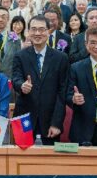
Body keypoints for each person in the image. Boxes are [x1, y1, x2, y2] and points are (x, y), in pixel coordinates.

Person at [12, 15, 69, 145]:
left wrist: (56, 123)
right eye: (33, 29)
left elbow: (62, 93)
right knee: (21, 156)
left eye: (42, 29)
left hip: (50, 122)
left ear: (49, 31)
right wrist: (22, 85)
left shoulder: (61, 58)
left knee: (48, 157)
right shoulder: (20, 56)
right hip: (24, 118)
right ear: (28, 32)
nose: (37, 33)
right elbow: (15, 78)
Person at [0, 7, 22, 79]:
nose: (0, 19)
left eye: (3, 17)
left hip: (10, 79)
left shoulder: (16, 38)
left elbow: (18, 61)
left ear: (8, 19)